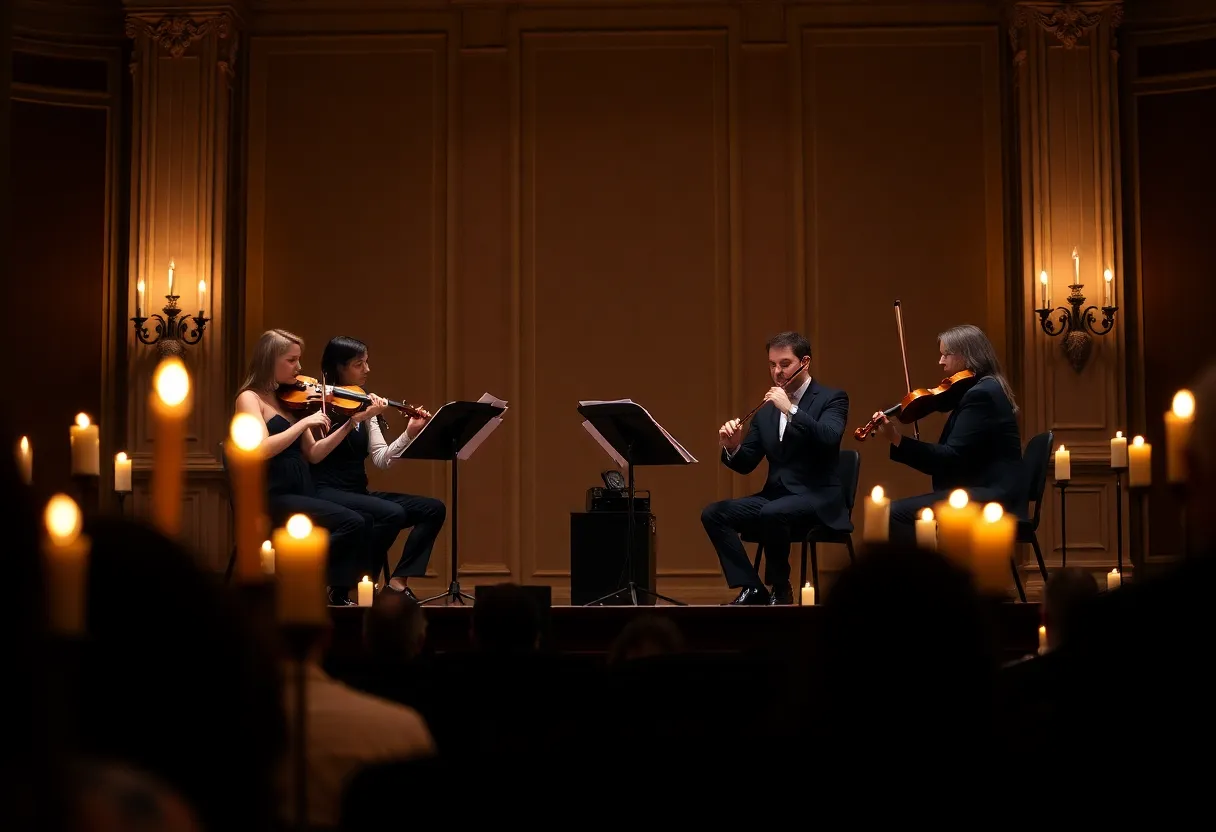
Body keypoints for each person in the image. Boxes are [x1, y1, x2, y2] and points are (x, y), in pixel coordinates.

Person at [701, 331, 851, 605]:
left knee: (773, 512)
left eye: (785, 364)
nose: (777, 372)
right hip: (777, 496)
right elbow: (747, 464)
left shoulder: (832, 398)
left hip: (817, 496)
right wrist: (732, 446)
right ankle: (752, 587)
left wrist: (791, 411)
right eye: (772, 365)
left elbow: (829, 436)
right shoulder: (767, 410)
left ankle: (781, 591)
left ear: (805, 362)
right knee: (714, 514)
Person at [233, 328, 372, 606]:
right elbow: (259, 449)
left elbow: (315, 454)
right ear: (270, 360)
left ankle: (332, 592)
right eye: (291, 360)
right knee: (352, 522)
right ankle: (297, 574)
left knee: (363, 518)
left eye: (299, 360)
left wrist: (351, 423)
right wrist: (303, 424)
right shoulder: (250, 399)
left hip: (302, 488)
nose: (299, 367)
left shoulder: (291, 400)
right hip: (273, 493)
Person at [310, 336, 447, 599]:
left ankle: (397, 581)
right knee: (390, 513)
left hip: (357, 493)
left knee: (433, 508)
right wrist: (354, 420)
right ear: (339, 368)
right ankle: (352, 583)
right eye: (359, 364)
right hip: (326, 491)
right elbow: (315, 451)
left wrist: (409, 433)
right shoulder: (319, 405)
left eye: (367, 363)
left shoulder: (363, 402)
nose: (367, 370)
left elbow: (382, 459)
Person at [869, 324, 1024, 544]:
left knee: (893, 514)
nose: (941, 362)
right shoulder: (985, 388)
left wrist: (896, 438)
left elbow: (949, 459)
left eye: (945, 355)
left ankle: (923, 578)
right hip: (984, 488)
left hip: (991, 495)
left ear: (967, 356)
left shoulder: (981, 395)